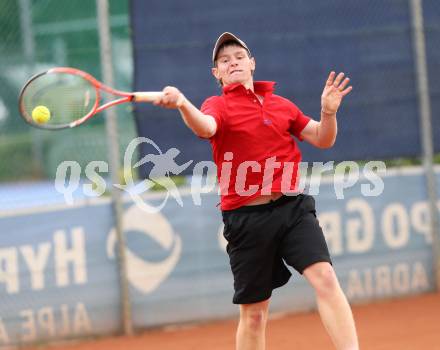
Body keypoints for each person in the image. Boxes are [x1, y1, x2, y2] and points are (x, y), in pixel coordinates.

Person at [153, 32, 359, 350]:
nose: (232, 62)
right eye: (224, 60)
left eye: (238, 56)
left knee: (326, 278)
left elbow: (322, 138)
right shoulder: (217, 105)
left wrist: (328, 113)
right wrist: (182, 103)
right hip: (246, 218)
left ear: (252, 63)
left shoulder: (281, 105)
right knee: (254, 316)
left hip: (293, 207)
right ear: (216, 74)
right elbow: (205, 127)